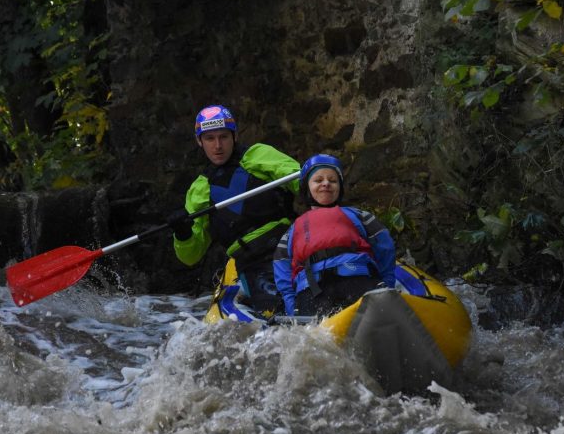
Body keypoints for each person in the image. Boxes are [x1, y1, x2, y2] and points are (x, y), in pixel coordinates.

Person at [167, 104, 300, 310]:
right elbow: (191, 256)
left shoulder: (257, 155)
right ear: (199, 141)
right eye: (210, 139)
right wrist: (182, 234)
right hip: (251, 261)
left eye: (224, 137)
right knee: (275, 306)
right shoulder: (200, 188)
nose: (217, 145)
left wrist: (317, 180)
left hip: (288, 244)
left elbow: (298, 177)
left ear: (234, 136)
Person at [273, 154, 397, 316]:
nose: (326, 183)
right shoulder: (293, 231)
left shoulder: (359, 216)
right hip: (312, 289)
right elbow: (282, 267)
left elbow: (385, 249)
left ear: (339, 188)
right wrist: (292, 306)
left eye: (332, 180)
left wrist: (387, 286)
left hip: (357, 278)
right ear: (307, 188)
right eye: (318, 180)